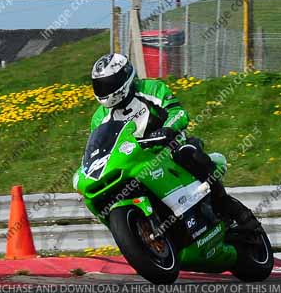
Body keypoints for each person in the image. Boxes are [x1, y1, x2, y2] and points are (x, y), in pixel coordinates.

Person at [89, 53, 262, 239]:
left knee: (189, 154)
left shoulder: (151, 88)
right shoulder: (99, 117)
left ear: (125, 77)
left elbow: (178, 112)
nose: (104, 90)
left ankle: (232, 209)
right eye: (99, 85)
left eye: (108, 84)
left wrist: (167, 129)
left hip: (170, 145)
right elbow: (100, 146)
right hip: (135, 159)